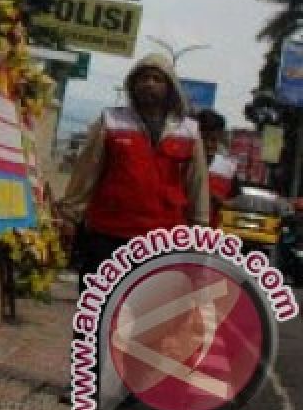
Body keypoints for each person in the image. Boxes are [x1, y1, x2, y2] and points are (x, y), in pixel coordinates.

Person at [56, 54, 209, 289]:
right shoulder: (111, 121)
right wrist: (69, 215)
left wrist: (199, 230)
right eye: (143, 78)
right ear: (132, 85)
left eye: (157, 79)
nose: (149, 84)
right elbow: (86, 173)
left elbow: (197, 185)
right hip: (108, 235)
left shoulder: (188, 131)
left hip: (162, 241)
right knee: (98, 310)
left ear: (170, 88)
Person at [197, 108, 236, 226]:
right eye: (204, 139)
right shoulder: (181, 163)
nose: (209, 145)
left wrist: (221, 202)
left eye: (213, 140)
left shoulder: (227, 168)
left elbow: (233, 201)